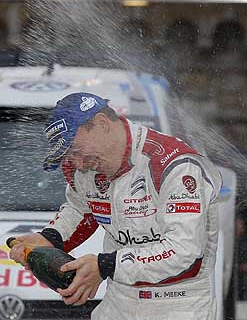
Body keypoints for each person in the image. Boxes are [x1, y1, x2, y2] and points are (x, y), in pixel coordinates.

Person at [9, 92, 222, 320]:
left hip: (179, 302)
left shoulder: (174, 165)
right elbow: (81, 209)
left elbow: (184, 251)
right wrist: (50, 238)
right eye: (70, 155)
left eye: (77, 150)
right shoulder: (83, 167)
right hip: (119, 298)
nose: (78, 163)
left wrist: (104, 266)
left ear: (102, 123)